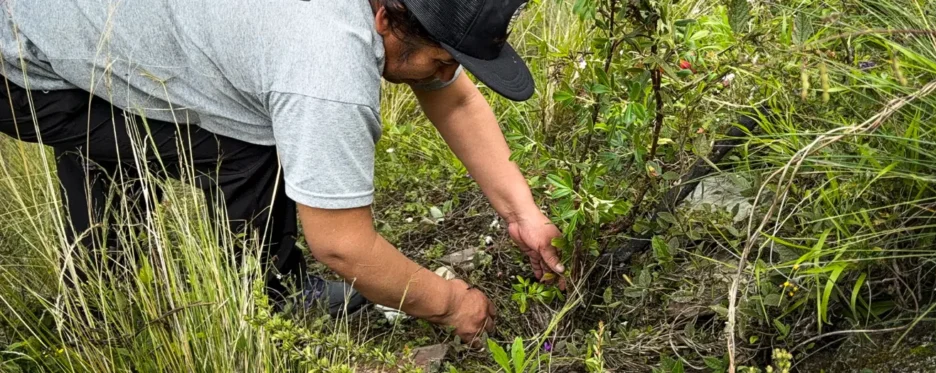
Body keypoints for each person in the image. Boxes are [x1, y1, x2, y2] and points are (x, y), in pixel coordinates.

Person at [0, 0, 565, 345]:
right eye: (440, 59)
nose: (442, 74)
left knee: (163, 124)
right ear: (386, 18)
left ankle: (103, 291)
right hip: (22, 61)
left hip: (83, 20)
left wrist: (526, 215)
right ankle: (263, 297)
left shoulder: (393, 12)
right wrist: (449, 303)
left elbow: (456, 101)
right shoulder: (325, 62)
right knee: (251, 141)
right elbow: (342, 245)